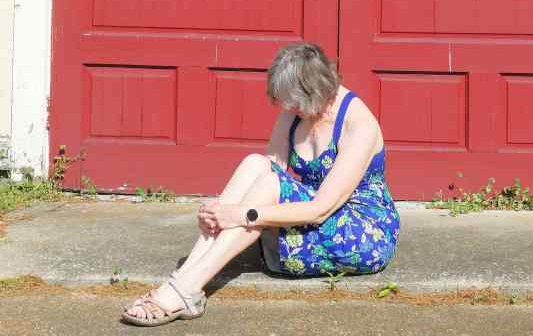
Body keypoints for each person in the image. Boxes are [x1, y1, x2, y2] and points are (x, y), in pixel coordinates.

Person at [122, 42, 400, 326]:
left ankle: (186, 289)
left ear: (314, 92)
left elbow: (320, 209)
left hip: (361, 235)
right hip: (314, 219)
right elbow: (268, 170)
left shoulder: (358, 125)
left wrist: (243, 214)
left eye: (292, 103)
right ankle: (182, 280)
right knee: (255, 163)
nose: (287, 108)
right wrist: (219, 212)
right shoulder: (297, 110)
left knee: (266, 189)